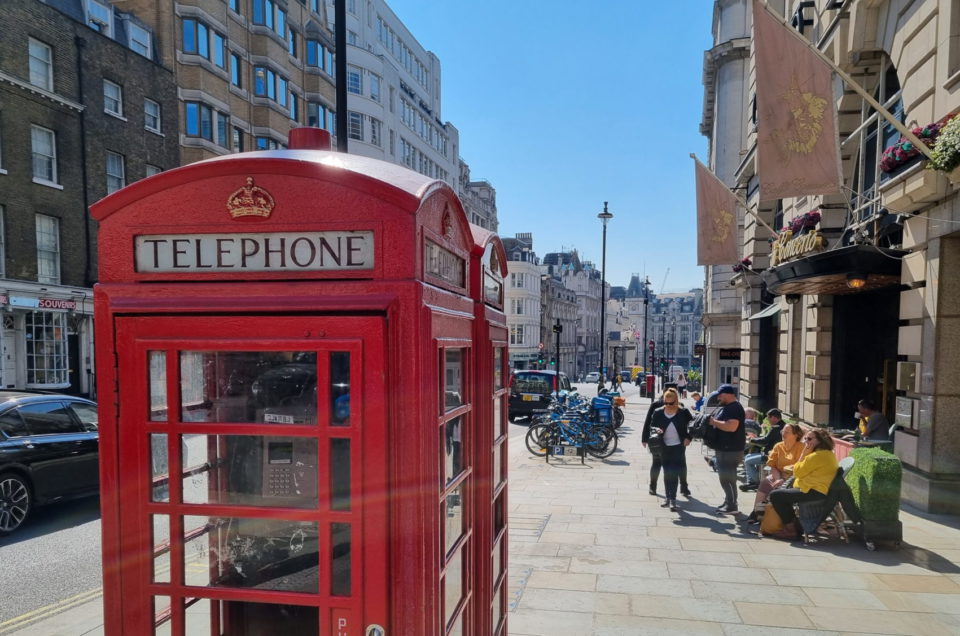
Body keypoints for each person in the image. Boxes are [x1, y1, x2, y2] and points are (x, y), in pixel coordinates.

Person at [767, 428, 840, 540]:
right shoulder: (827, 453)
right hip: (816, 489)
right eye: (805, 438)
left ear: (820, 440)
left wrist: (803, 454)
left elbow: (797, 472)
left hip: (813, 491)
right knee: (781, 493)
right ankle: (796, 526)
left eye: (809, 439)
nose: (806, 441)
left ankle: (791, 529)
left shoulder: (816, 456)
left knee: (775, 495)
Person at [746, 422, 804, 523]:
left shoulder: (801, 448)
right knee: (765, 483)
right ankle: (756, 512)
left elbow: (801, 467)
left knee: (779, 488)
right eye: (783, 431)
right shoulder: (778, 446)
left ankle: (774, 516)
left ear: (796, 435)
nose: (783, 434)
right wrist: (778, 479)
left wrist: (783, 480)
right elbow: (772, 465)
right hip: (778, 474)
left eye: (787, 432)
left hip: (794, 477)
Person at [646, 388, 693, 511]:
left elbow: (693, 426)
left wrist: (688, 438)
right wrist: (656, 430)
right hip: (663, 447)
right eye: (665, 403)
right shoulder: (658, 412)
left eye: (671, 403)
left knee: (674, 472)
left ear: (676, 401)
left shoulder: (683, 412)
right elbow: (651, 426)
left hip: (678, 446)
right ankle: (668, 498)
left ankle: (673, 499)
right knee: (667, 473)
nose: (668, 405)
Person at [706, 384, 746, 513]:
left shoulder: (734, 408)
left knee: (727, 478)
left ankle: (732, 505)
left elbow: (731, 427)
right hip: (725, 448)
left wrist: (714, 422)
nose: (719, 397)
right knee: (726, 477)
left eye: (720, 394)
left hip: (730, 449)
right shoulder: (728, 407)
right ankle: (729, 501)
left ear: (729, 394)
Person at [741, 409, 785, 489]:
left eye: (769, 418)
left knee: (747, 461)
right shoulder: (783, 425)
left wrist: (752, 439)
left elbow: (765, 441)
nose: (768, 420)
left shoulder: (776, 428)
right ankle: (753, 480)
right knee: (748, 456)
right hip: (775, 453)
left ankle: (753, 482)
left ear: (774, 418)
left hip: (770, 456)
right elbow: (768, 438)